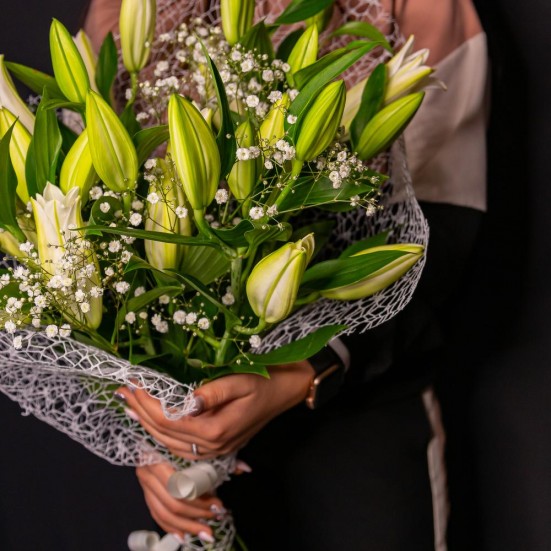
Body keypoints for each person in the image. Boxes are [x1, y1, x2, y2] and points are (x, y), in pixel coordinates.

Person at [84, 1, 488, 548]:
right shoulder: (130, 9)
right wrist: (153, 431)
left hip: (356, 436)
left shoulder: (416, 8)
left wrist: (304, 370)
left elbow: (441, 231)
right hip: (187, 462)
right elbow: (94, 224)